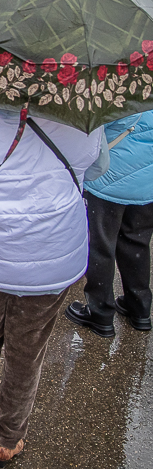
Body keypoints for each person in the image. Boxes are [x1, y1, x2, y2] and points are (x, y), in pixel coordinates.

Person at [0, 103, 107, 468]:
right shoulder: (85, 102)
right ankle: (8, 437)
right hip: (52, 252)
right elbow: (97, 169)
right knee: (26, 350)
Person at [65, 110, 153, 337]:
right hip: (147, 184)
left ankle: (100, 313)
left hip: (108, 180)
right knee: (137, 243)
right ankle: (139, 308)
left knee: (100, 247)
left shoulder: (121, 86)